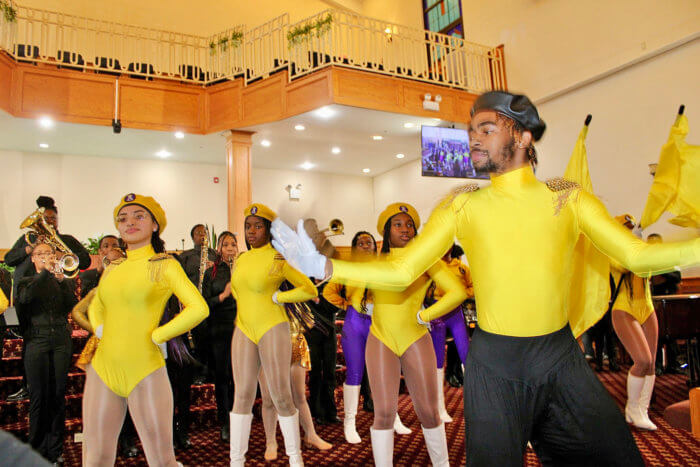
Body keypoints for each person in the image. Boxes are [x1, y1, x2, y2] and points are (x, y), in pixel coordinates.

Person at [272, 91, 699, 466]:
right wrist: (327, 267)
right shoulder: (461, 205)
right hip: (494, 364)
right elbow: (403, 270)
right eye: (471, 130)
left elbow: (637, 256)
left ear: (524, 136)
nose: (473, 138)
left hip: (560, 357)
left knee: (616, 457)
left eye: (487, 128)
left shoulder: (567, 197)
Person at [82, 193, 208, 466]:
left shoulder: (164, 265)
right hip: (103, 368)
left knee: (160, 458)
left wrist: (158, 335)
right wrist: (100, 327)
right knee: (95, 458)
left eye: (139, 216)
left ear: (154, 225)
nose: (130, 222)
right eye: (123, 218)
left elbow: (199, 308)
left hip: (146, 369)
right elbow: (97, 304)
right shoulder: (113, 267)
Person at [228, 203, 318, 467]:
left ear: (269, 230)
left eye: (258, 226)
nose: (251, 231)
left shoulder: (279, 258)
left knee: (280, 394)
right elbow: (237, 291)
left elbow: (309, 289)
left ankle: (295, 458)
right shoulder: (241, 259)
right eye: (248, 226)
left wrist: (280, 296)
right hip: (243, 328)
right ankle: (236, 461)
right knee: (242, 395)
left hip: (273, 327)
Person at [323, 231, 411, 444]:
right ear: (355, 247)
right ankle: (350, 422)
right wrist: (347, 305)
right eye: (360, 242)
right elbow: (328, 292)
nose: (365, 245)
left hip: (379, 323)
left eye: (369, 242)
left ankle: (393, 416)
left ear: (375, 246)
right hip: (355, 324)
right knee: (355, 371)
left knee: (386, 371)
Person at [4, 196, 90, 403]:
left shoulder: (66, 239)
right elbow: (8, 260)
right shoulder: (29, 239)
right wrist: (30, 249)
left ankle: (56, 386)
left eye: (52, 218)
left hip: (55, 299)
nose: (49, 222)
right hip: (28, 298)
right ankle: (28, 386)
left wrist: (58, 252)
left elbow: (85, 260)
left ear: (58, 221)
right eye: (45, 218)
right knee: (29, 342)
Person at [16, 242, 78, 465]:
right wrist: (44, 274)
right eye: (41, 254)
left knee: (57, 395)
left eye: (49, 254)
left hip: (61, 339)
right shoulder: (25, 281)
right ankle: (36, 449)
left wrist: (63, 283)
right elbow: (25, 299)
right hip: (37, 340)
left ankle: (55, 449)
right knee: (38, 397)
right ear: (33, 259)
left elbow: (72, 305)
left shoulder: (60, 280)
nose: (46, 257)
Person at [259, 314, 332, 461]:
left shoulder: (294, 294)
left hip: (295, 342)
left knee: (299, 395)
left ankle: (311, 434)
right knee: (268, 399)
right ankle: (271, 442)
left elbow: (309, 321)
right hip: (267, 344)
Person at [610, 215, 660, 430]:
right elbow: (625, 265)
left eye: (632, 228)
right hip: (624, 308)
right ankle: (632, 408)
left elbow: (653, 267)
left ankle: (643, 410)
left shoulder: (641, 248)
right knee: (642, 359)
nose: (631, 232)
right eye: (627, 229)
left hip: (647, 307)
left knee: (651, 363)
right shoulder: (611, 252)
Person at [426, 243, 474, 423]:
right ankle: (439, 408)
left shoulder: (462, 268)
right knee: (437, 361)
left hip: (456, 314)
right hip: (436, 312)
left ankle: (476, 405)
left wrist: (461, 293)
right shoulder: (431, 267)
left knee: (467, 356)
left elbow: (472, 286)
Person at [201, 231, 238, 442]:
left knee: (239, 377)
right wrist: (223, 295)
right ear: (220, 249)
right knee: (222, 377)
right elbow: (205, 304)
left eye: (233, 244)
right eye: (226, 245)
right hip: (219, 328)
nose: (230, 248)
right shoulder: (211, 274)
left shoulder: (242, 270)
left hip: (240, 327)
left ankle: (239, 417)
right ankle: (225, 421)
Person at [176, 224, 217, 385]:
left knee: (210, 340)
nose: (202, 236)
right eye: (199, 233)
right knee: (194, 341)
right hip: (192, 304)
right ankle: (196, 373)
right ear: (193, 237)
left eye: (204, 233)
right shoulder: (185, 256)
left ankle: (210, 372)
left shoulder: (214, 255)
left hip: (211, 304)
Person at [306, 281, 339, 426]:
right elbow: (303, 305)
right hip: (312, 333)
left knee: (330, 373)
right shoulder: (305, 281)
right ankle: (317, 412)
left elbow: (335, 307)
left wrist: (318, 300)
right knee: (315, 373)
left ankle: (331, 412)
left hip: (329, 333)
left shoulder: (332, 284)